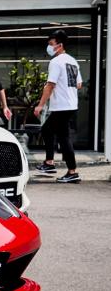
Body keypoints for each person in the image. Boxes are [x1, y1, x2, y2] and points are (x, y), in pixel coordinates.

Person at [34, 30, 83, 183]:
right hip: (70, 104)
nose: (49, 47)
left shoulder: (56, 62)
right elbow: (79, 84)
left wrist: (40, 105)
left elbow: (50, 86)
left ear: (59, 45)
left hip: (61, 106)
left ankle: (71, 171)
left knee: (61, 136)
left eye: (51, 44)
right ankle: (50, 163)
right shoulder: (73, 61)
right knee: (49, 130)